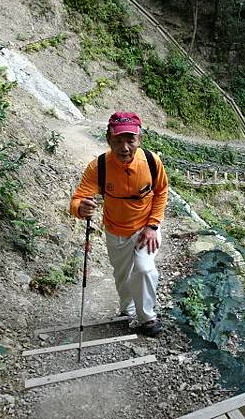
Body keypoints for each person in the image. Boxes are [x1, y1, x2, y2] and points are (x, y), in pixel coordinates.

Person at [70, 112, 168, 337]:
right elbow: (77, 199)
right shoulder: (99, 167)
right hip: (115, 229)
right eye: (118, 141)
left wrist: (153, 226)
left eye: (130, 140)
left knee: (144, 268)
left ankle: (147, 318)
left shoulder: (152, 162)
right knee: (122, 275)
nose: (124, 147)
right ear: (108, 140)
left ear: (139, 140)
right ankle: (128, 310)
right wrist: (80, 208)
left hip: (145, 228)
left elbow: (161, 191)